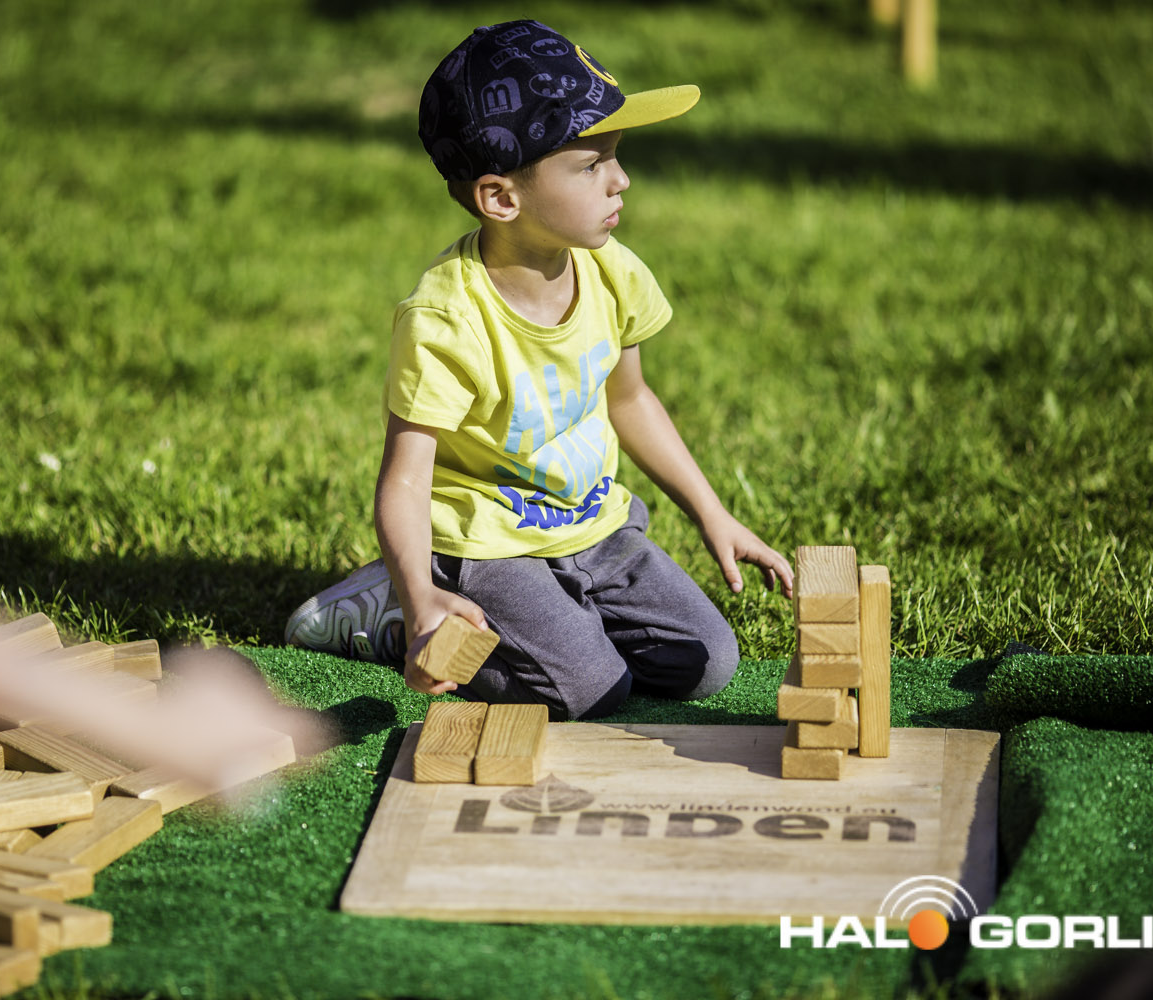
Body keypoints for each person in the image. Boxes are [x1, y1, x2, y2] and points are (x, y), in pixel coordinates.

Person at [287, 20, 793, 720]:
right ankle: (398, 611)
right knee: (590, 691)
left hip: (597, 530)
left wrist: (714, 514)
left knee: (706, 662)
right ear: (501, 198)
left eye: (616, 155)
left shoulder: (613, 272)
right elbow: (404, 478)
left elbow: (630, 400)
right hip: (486, 545)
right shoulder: (445, 320)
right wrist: (418, 594)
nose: (621, 179)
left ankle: (561, 618)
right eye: (591, 165)